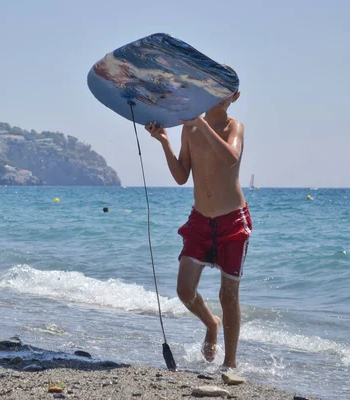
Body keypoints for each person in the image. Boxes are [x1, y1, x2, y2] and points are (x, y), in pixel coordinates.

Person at [145, 68, 252, 369]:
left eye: (224, 93)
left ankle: (229, 364)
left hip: (232, 222)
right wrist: (165, 141)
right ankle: (210, 324)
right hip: (200, 221)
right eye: (212, 89)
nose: (217, 97)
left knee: (228, 295)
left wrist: (202, 124)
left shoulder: (234, 127)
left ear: (235, 97)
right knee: (184, 290)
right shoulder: (190, 130)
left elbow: (230, 157)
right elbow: (181, 176)